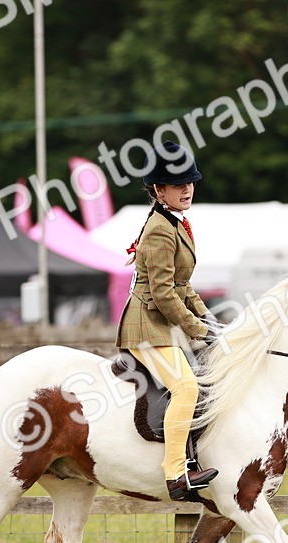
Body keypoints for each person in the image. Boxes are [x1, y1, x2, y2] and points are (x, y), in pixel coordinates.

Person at [115, 141, 218, 499]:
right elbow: (162, 294)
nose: (187, 188)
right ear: (159, 190)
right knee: (186, 387)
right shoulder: (160, 228)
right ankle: (176, 474)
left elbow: (182, 284)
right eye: (178, 184)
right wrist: (197, 329)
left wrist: (210, 319)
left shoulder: (177, 223)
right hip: (145, 326)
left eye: (190, 182)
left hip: (160, 324)